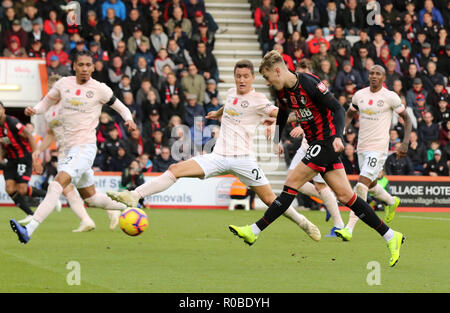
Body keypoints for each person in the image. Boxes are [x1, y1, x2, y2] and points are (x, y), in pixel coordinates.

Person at [107, 59, 321, 242]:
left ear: (253, 77)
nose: (242, 80)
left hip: (243, 159)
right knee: (174, 169)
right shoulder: (230, 93)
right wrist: (217, 113)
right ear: (235, 77)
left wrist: (298, 116)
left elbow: (277, 113)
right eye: (238, 76)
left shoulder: (259, 100)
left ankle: (303, 222)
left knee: (269, 199)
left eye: (246, 76)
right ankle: (134, 196)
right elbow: (229, 106)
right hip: (218, 156)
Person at [229, 51, 405, 267]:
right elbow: (283, 114)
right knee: (346, 196)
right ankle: (390, 235)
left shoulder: (308, 82)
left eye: (267, 77)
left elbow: (337, 109)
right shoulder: (283, 93)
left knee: (291, 184)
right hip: (316, 145)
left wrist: (338, 137)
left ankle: (254, 231)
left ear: (278, 70)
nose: (267, 81)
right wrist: (276, 139)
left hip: (326, 142)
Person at [10, 51, 137, 244]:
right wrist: (35, 109)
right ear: (74, 66)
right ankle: (129, 207)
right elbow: (47, 102)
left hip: (85, 148)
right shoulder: (63, 84)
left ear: (93, 68)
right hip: (70, 150)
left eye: (88, 65)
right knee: (91, 198)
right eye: (81, 65)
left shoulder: (100, 89)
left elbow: (121, 107)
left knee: (57, 183)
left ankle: (29, 228)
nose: (85, 69)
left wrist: (128, 120)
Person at [336, 65, 413, 240]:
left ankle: (349, 228)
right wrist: (339, 134)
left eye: (378, 74)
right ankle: (392, 201)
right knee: (371, 185)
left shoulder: (390, 96)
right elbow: (349, 114)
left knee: (361, 185)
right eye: (371, 73)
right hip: (361, 147)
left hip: (378, 148)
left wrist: (405, 142)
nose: (374, 76)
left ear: (384, 77)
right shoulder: (359, 95)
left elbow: (407, 118)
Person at [32, 83, 120, 231]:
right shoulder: (49, 112)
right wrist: (39, 150)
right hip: (63, 152)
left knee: (68, 188)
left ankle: (89, 218)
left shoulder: (70, 105)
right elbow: (51, 134)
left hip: (78, 148)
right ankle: (111, 209)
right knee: (85, 192)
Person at [0, 101, 47, 224]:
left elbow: (29, 136)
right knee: (10, 189)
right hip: (11, 160)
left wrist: (35, 158)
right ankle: (30, 213)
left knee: (21, 189)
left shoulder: (12, 122)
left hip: (23, 158)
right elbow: (4, 145)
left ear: (3, 110)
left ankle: (49, 196)